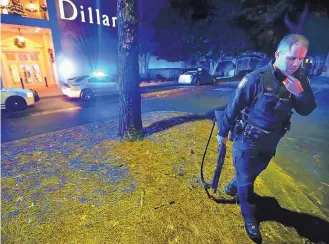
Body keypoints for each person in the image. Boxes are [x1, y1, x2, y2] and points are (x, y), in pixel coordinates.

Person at [216, 34, 317, 243]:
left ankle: (235, 184)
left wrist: (298, 93)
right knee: (246, 181)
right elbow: (234, 107)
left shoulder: (300, 79)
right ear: (278, 54)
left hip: (271, 141)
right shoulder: (257, 78)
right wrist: (222, 132)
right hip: (248, 140)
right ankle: (249, 216)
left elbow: (306, 109)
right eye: (291, 58)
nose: (295, 64)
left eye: (300, 59)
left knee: (255, 171)